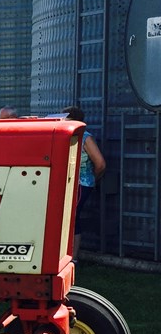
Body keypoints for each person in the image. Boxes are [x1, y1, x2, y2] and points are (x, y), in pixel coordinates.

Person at [63, 106, 106, 264]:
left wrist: (93, 180)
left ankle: (73, 257)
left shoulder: (85, 137)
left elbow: (100, 163)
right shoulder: (66, 136)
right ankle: (66, 256)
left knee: (72, 217)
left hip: (82, 183)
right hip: (68, 183)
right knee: (68, 218)